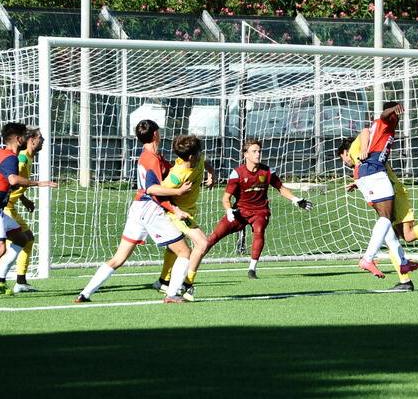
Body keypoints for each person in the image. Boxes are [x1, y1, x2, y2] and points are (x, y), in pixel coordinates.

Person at [337, 126, 418, 291]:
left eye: (342, 158)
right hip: (391, 194)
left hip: (396, 196)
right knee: (389, 236)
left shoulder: (360, 151)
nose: (344, 162)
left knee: (407, 235)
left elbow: (366, 131)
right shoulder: (362, 161)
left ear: (345, 152)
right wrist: (358, 183)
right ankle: (405, 280)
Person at [75, 120, 193, 303]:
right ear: (155, 134)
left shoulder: (151, 156)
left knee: (119, 258)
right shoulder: (151, 159)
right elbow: (152, 189)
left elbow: (170, 172)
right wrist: (176, 200)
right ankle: (172, 294)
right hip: (150, 208)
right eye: (159, 132)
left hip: (137, 209)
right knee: (185, 252)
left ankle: (85, 293)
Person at [203, 137, 312, 279]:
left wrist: (295, 199)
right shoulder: (237, 173)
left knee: (259, 230)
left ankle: (252, 269)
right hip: (240, 211)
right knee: (213, 237)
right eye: (254, 151)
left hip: (260, 211)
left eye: (259, 151)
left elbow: (281, 188)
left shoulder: (267, 171)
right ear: (245, 154)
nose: (258, 154)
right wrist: (229, 210)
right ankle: (192, 262)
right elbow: (226, 198)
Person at [349, 102, 418, 281]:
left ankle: (402, 261)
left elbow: (366, 130)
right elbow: (382, 117)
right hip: (374, 171)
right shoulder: (385, 122)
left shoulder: (379, 127)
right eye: (396, 115)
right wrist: (392, 110)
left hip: (367, 174)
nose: (397, 118)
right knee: (386, 218)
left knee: (386, 220)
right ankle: (367, 258)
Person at [151, 135, 214, 301]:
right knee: (202, 243)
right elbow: (157, 193)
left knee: (176, 246)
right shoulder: (177, 175)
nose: (202, 155)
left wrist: (211, 172)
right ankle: (186, 285)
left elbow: (204, 163)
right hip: (176, 214)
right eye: (200, 153)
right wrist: (176, 209)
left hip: (189, 210)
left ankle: (163, 280)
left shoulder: (197, 159)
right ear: (192, 156)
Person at [0, 124, 57, 295]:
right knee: (2, 248)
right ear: (19, 140)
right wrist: (40, 183)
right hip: (5, 208)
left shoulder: (7, 155)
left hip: (3, 208)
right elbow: (12, 179)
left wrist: (23, 198)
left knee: (23, 238)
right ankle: (13, 280)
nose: (30, 138)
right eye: (26, 136)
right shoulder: (15, 158)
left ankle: (4, 280)